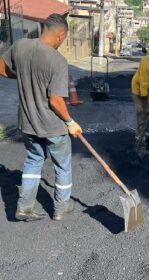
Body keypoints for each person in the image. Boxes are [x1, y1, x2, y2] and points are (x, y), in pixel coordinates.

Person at [0, 14, 83, 221]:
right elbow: (55, 100)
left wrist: (17, 75)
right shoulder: (57, 61)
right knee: (62, 165)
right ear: (60, 35)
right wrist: (70, 122)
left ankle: (24, 207)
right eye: (63, 39)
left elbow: (1, 68)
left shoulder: (20, 46)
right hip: (52, 126)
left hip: (27, 123)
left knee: (34, 159)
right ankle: (61, 208)